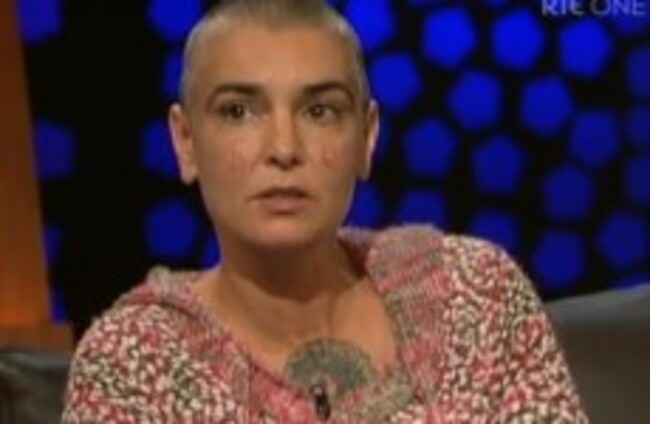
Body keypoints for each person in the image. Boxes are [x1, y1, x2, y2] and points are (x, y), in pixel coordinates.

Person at [62, 0, 588, 422]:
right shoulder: (134, 362)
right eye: (238, 111)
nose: (284, 148)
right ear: (186, 143)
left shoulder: (475, 294)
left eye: (320, 111)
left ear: (367, 137)